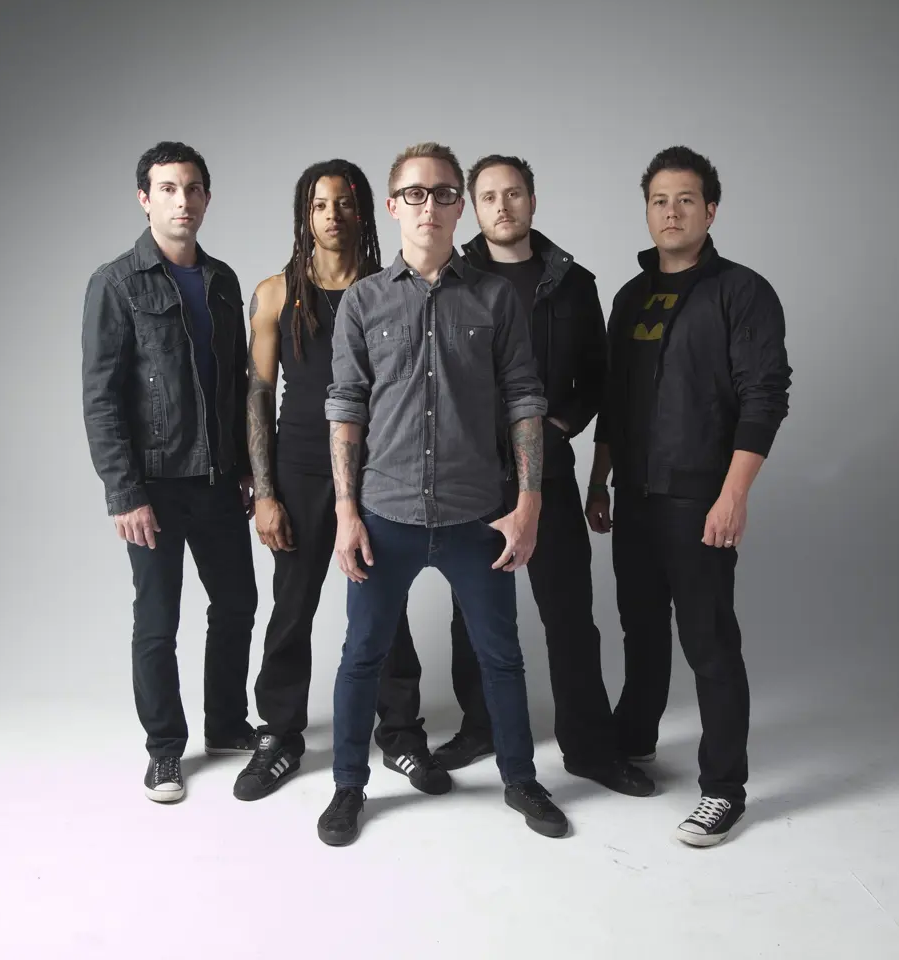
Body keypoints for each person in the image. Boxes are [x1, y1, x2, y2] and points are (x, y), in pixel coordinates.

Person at [318, 142, 569, 846]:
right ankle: (347, 787)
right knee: (361, 656)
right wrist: (344, 511)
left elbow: (524, 398)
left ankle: (521, 780)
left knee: (501, 656)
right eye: (415, 193)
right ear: (393, 205)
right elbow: (346, 405)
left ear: (460, 204)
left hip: (476, 516)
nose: (430, 205)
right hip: (385, 513)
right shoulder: (365, 301)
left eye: (443, 193)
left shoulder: (494, 298)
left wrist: (530, 501)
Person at [380, 154, 653, 798]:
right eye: (488, 196)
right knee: (471, 613)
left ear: (533, 201)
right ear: (471, 206)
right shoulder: (453, 278)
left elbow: (598, 378)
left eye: (514, 194)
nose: (502, 207)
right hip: (469, 470)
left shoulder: (573, 282)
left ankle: (589, 747)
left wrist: (558, 428)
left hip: (546, 469)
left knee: (567, 610)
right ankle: (481, 727)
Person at [586, 145, 792, 845]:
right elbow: (613, 403)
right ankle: (634, 739)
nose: (671, 213)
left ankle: (724, 787)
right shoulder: (630, 296)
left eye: (685, 200)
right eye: (658, 201)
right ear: (646, 212)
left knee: (708, 642)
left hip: (701, 497)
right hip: (636, 498)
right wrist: (598, 481)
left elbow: (765, 399)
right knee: (640, 630)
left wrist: (734, 496)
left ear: (711, 209)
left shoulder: (742, 292)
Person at [232, 160, 430, 800]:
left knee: (387, 604)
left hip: (380, 466)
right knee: (292, 607)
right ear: (305, 215)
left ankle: (399, 733)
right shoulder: (274, 293)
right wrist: (265, 492)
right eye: (321, 205)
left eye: (345, 204)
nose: (333, 216)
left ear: (364, 212)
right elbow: (259, 395)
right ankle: (281, 735)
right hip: (299, 466)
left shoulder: (387, 290)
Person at [82, 141, 258, 803]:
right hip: (152, 484)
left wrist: (243, 468)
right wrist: (124, 491)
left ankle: (226, 725)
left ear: (206, 198)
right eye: (167, 188)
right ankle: (164, 751)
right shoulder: (116, 282)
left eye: (192, 189)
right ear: (144, 198)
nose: (182, 201)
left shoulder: (222, 281)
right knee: (157, 621)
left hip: (216, 480)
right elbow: (100, 396)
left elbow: (235, 381)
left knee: (237, 603)